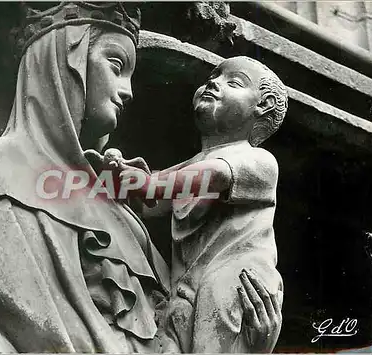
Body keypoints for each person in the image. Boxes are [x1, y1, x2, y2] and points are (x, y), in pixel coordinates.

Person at [0, 2, 281, 353]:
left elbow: (175, 331)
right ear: (63, 61)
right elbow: (34, 327)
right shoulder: (1, 167)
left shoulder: (116, 206)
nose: (128, 91)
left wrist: (250, 344)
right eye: (116, 65)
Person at [118, 56, 288, 353]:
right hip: (188, 287)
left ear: (263, 105)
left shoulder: (257, 160)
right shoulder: (194, 166)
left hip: (239, 279)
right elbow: (151, 204)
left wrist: (149, 184)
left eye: (233, 82)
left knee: (217, 308)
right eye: (213, 76)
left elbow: (213, 175)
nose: (214, 83)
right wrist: (116, 174)